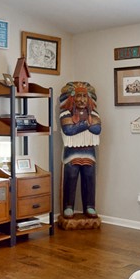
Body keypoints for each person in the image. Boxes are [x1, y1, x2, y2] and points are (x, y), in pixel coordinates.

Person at [59, 81, 102, 218]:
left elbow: (97, 129)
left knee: (89, 178)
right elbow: (69, 130)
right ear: (72, 98)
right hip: (71, 153)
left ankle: (90, 206)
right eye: (79, 96)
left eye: (85, 96)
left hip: (89, 152)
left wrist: (80, 125)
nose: (82, 99)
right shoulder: (65, 114)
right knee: (70, 177)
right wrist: (86, 124)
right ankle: (68, 206)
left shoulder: (94, 113)